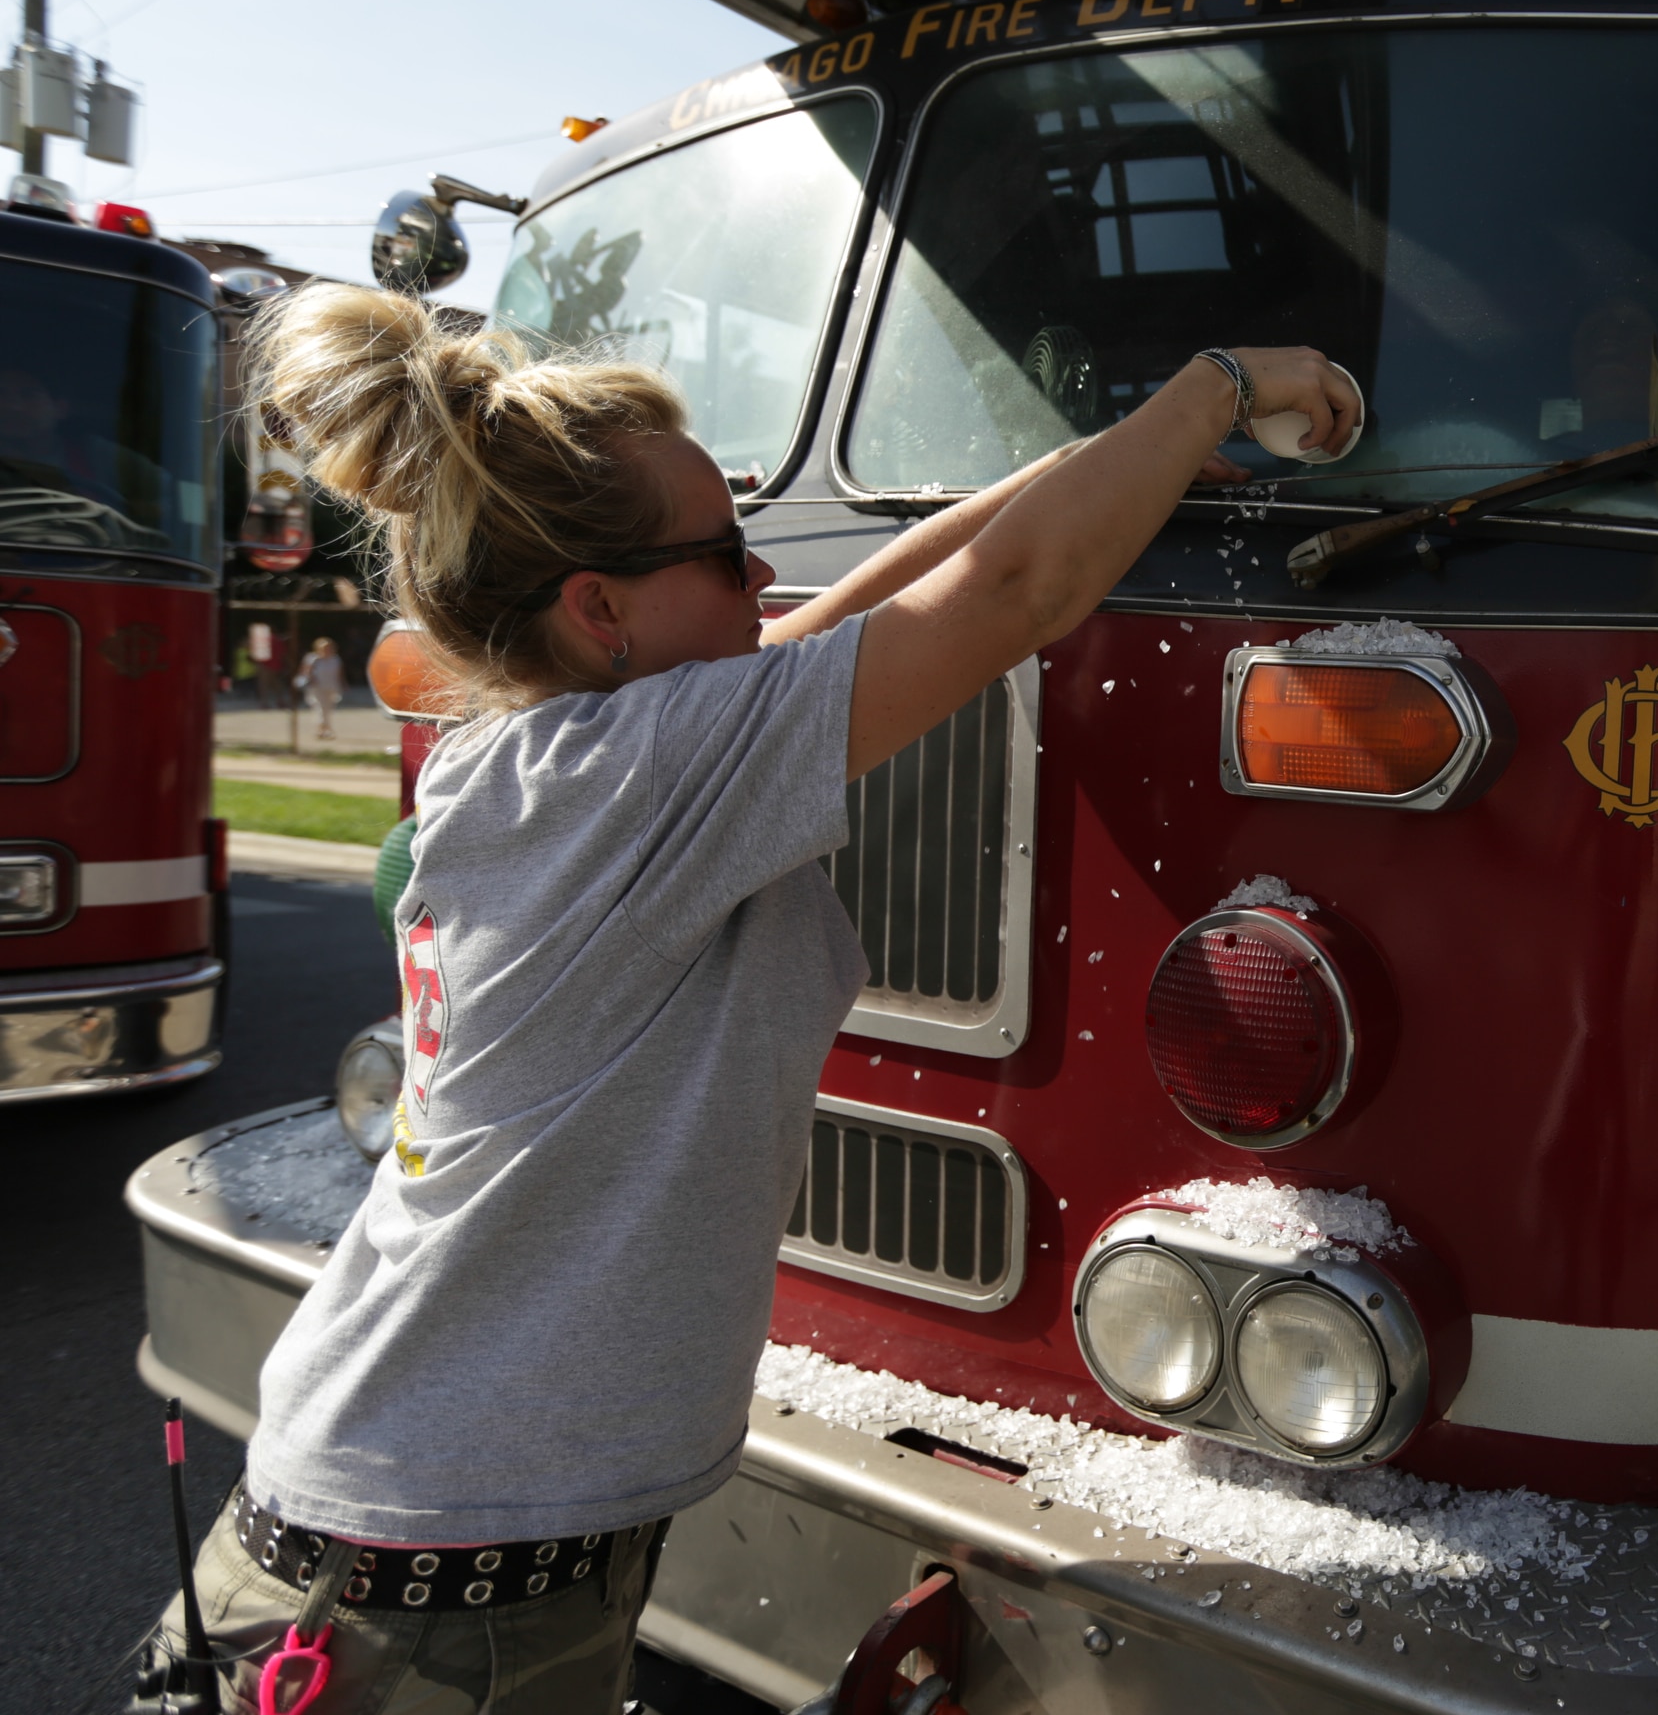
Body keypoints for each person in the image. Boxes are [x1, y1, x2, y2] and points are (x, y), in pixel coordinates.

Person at [129, 283, 1354, 1714]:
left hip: (418, 1525)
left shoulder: (564, 760)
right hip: (434, 1601)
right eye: (726, 553)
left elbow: (896, 592)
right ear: (600, 611)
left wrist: (1132, 453)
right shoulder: (637, 772)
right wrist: (1219, 379)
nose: (764, 577)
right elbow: (1014, 597)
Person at [294, 635, 345, 741]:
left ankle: (321, 729)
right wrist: (311, 678)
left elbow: (340, 674)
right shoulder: (312, 658)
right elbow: (305, 671)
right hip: (316, 687)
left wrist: (343, 684)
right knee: (319, 708)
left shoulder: (335, 659)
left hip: (331, 686)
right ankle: (327, 729)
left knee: (327, 709)